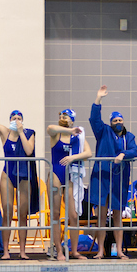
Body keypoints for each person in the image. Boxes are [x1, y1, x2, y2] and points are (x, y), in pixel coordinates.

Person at [0, 95, 38, 260]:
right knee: (7, 213)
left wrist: (21, 132)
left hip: (24, 176)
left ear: (22, 121)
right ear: (9, 120)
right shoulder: (4, 132)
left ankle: (22, 251)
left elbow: (28, 151)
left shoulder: (29, 133)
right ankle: (6, 251)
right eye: (14, 118)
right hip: (8, 174)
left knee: (22, 215)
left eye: (19, 118)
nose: (16, 120)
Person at [89, 86, 137, 260]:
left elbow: (135, 151)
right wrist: (98, 99)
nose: (118, 122)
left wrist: (123, 154)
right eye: (115, 120)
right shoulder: (103, 132)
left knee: (117, 215)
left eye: (120, 120)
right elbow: (94, 119)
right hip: (102, 177)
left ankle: (119, 250)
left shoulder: (129, 137)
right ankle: (101, 250)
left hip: (119, 179)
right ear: (110, 123)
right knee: (101, 215)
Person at [44, 108, 93, 261]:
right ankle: (58, 250)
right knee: (56, 214)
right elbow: (49, 128)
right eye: (61, 116)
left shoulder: (78, 137)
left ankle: (74, 251)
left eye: (66, 116)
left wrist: (73, 158)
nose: (62, 118)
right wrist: (69, 129)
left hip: (71, 176)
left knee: (73, 215)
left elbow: (88, 153)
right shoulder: (56, 134)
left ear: (73, 120)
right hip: (56, 175)